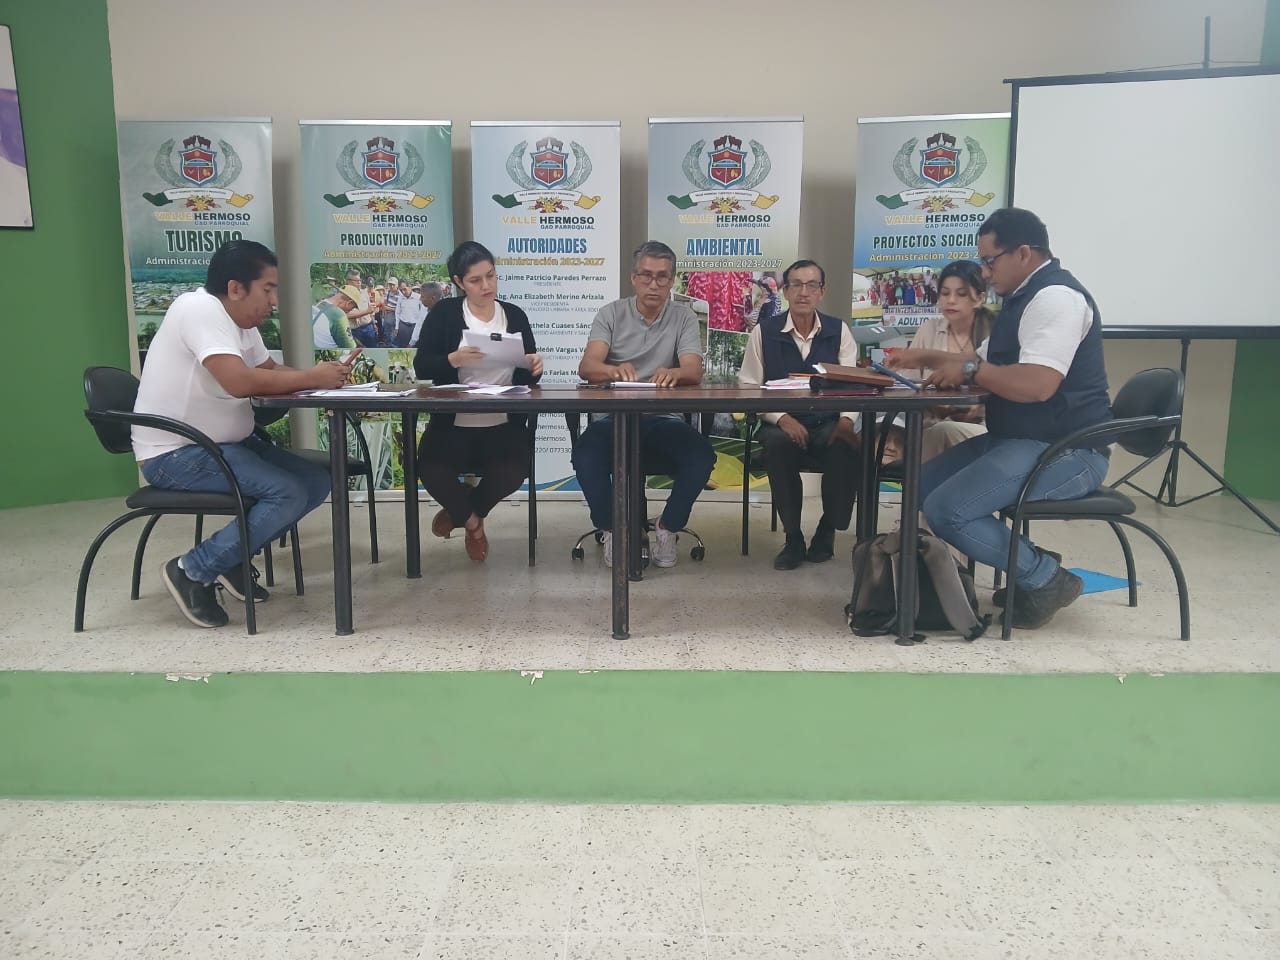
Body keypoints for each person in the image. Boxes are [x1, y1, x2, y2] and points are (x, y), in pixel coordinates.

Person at [887, 207, 1114, 629]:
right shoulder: (1019, 302)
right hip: (1018, 439)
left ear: (1024, 253)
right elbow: (978, 363)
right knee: (921, 486)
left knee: (948, 510)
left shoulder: (1056, 298)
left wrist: (968, 369)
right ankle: (1029, 566)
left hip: (1067, 450)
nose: (986, 273)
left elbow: (1037, 385)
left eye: (990, 261)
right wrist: (925, 359)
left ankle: (1045, 577)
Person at [132, 240, 352, 628]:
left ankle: (229, 557)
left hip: (224, 445)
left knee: (317, 481)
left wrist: (325, 379)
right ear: (236, 288)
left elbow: (269, 371)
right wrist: (311, 377)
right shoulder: (198, 309)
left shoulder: (241, 324)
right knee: (287, 492)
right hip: (176, 452)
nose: (274, 301)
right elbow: (238, 382)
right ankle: (192, 570)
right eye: (268, 289)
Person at [573, 240, 715, 568]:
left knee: (701, 457)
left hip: (663, 418)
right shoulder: (611, 313)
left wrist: (675, 373)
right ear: (634, 278)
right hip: (613, 418)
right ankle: (612, 529)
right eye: (646, 275)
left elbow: (693, 370)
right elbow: (587, 367)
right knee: (585, 456)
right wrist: (612, 370)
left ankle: (668, 527)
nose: (654, 284)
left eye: (662, 277)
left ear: (672, 281)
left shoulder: (683, 317)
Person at [412, 241, 543, 563]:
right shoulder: (444, 314)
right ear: (459, 282)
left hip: (503, 424)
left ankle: (463, 509)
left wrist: (535, 366)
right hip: (452, 424)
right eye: (475, 280)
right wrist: (452, 359)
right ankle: (472, 524)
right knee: (431, 469)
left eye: (491, 276)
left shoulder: (514, 315)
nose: (486, 285)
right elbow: (422, 366)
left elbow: (528, 374)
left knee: (513, 472)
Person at [737, 259, 862, 570]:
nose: (803, 292)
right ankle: (793, 537)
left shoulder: (838, 331)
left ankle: (827, 528)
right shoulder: (764, 332)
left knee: (845, 444)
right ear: (786, 290)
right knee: (778, 446)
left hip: (828, 420)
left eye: (811, 285)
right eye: (796, 285)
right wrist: (781, 417)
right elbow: (748, 386)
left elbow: (853, 384)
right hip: (780, 422)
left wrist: (846, 420)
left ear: (822, 291)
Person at [895, 259, 994, 461]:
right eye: (945, 293)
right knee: (933, 431)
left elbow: (1004, 382)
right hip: (931, 424)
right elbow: (905, 385)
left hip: (984, 428)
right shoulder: (928, 330)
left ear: (979, 298)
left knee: (942, 432)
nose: (951, 301)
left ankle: (921, 483)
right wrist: (932, 404)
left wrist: (975, 409)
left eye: (961, 294)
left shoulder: (994, 332)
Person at [312, 284, 361, 349]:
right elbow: (350, 347)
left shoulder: (319, 303)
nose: (351, 310)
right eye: (352, 307)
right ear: (349, 303)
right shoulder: (338, 316)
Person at [397, 280, 442, 348]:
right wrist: (411, 343)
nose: (420, 299)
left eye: (422, 297)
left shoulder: (444, 315)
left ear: (433, 298)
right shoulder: (424, 310)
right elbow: (419, 325)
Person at [343, 269, 379, 347]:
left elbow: (371, 310)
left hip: (368, 327)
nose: (359, 282)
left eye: (360, 280)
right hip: (354, 330)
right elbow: (346, 314)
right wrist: (366, 311)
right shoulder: (343, 296)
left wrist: (374, 324)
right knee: (357, 349)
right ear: (348, 281)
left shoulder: (364, 293)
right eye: (356, 281)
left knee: (373, 347)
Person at [381, 275, 401, 343]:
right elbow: (384, 304)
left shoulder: (400, 295)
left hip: (395, 316)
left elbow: (400, 309)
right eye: (390, 284)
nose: (391, 286)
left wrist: (389, 308)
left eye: (393, 285)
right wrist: (383, 314)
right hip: (387, 315)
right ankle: (387, 343)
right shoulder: (387, 292)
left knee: (394, 333)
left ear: (397, 285)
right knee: (386, 331)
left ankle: (392, 344)